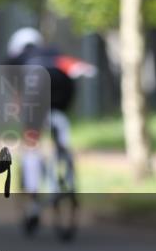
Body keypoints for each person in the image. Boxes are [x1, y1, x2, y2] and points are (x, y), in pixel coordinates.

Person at [6, 27, 95, 233]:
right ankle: (63, 159)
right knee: (59, 126)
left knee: (31, 145)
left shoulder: (15, 58)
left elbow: (18, 94)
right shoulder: (52, 51)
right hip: (62, 84)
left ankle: (33, 201)